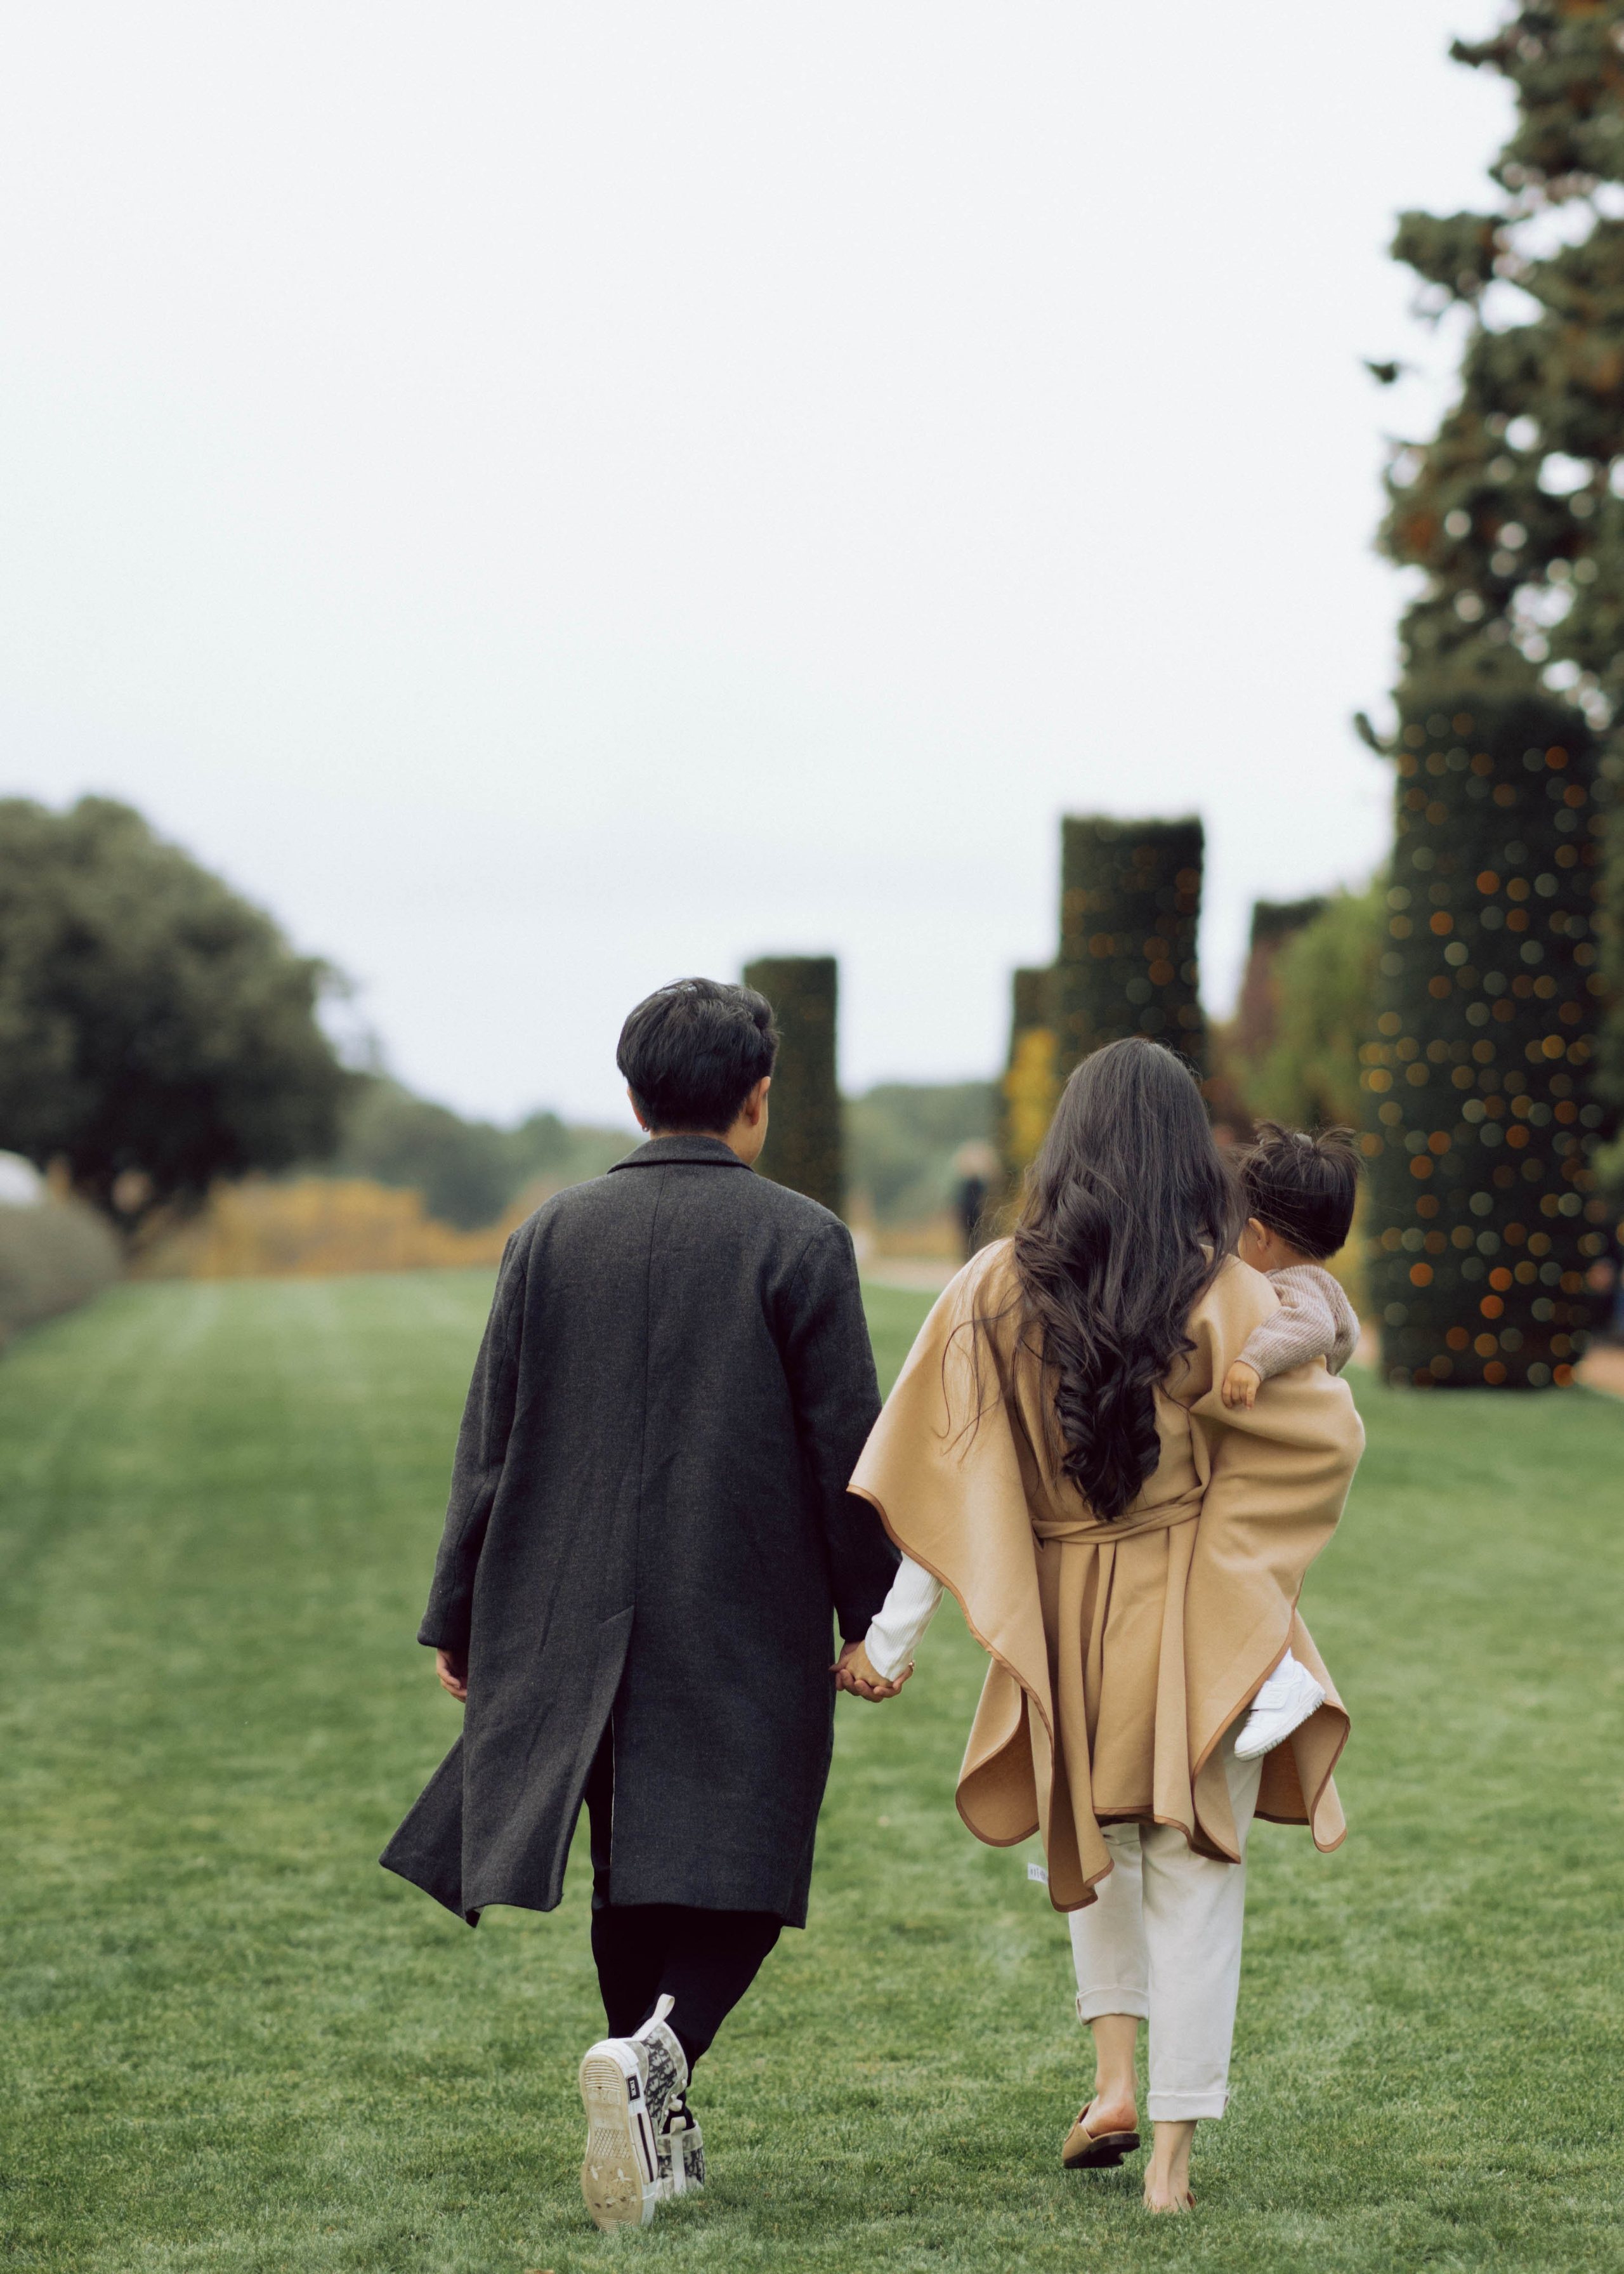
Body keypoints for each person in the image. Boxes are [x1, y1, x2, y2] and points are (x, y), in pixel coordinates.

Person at [381, 978, 898, 2233]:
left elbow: (488, 1446)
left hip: (562, 1600)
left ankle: (640, 2089)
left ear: (632, 1096)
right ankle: (653, 2064)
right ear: (755, 1100)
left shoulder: (547, 1234)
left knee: (630, 1864)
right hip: (740, 1599)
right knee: (752, 1859)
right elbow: (848, 1451)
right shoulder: (802, 1240)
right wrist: (870, 1610)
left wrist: (459, 1608)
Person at [836, 1038, 1364, 2214]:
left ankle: (1114, 2078)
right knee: (1196, 1866)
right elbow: (1324, 1434)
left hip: (1066, 1617)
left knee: (1093, 1847)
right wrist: (1242, 1564)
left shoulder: (990, 1285)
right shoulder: (1227, 1292)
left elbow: (947, 1476)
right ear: (1191, 1153)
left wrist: (890, 1638)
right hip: (1194, 1611)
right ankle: (1168, 2160)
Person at [1220, 1122, 1361, 1761]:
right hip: (1304, 1462)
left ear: (1259, 1234)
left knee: (1231, 1555)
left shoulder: (1296, 1290)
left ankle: (1280, 1676)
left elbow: (1306, 1326)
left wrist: (1251, 1360)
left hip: (1280, 1464)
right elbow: (1341, 1340)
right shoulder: (1326, 1285)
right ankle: (1266, 1671)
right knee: (1260, 1566)